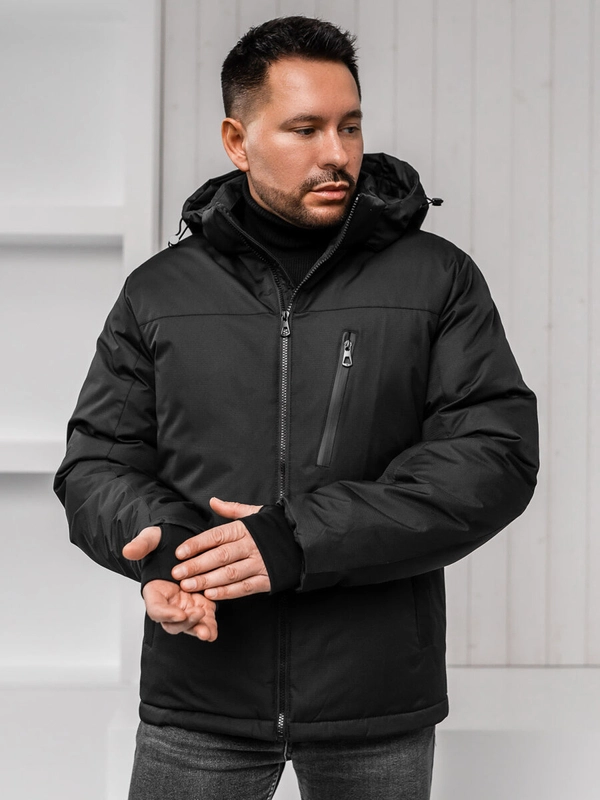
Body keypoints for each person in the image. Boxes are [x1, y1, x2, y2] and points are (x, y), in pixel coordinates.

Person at [54, 15, 538, 800]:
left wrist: (296, 540)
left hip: (374, 700)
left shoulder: (438, 279)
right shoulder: (158, 292)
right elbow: (96, 464)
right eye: (305, 129)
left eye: (350, 126)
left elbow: (493, 458)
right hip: (200, 693)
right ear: (237, 141)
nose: (337, 153)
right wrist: (172, 551)